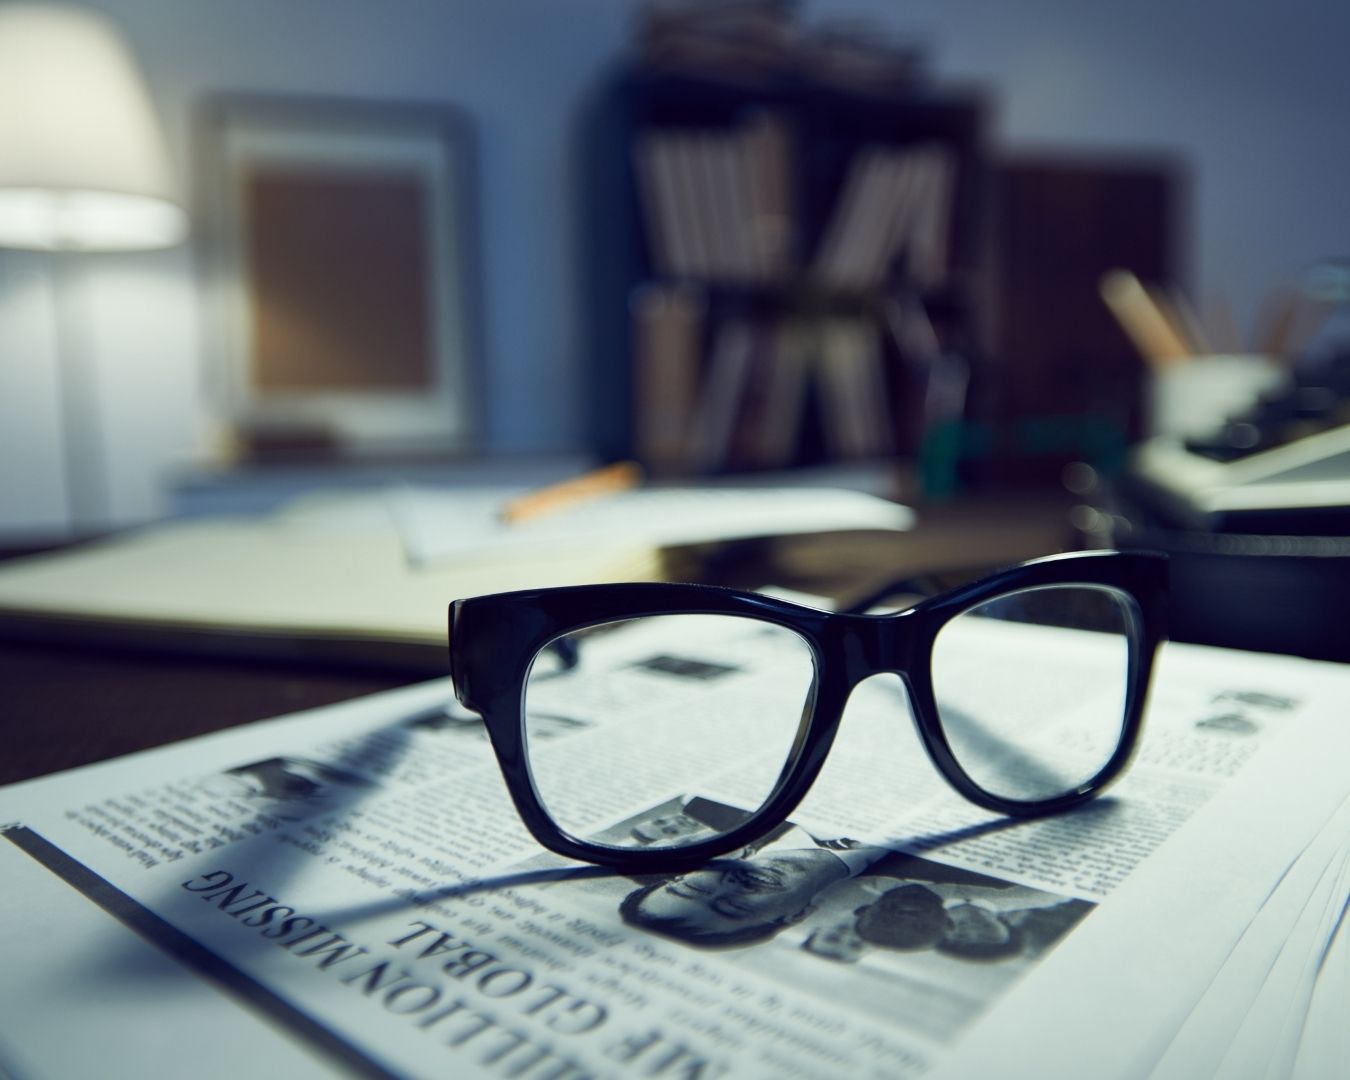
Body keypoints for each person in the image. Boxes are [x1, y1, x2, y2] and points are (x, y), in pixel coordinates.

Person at [619, 823, 885, 948]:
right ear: (797, 916)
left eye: (696, 888)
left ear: (682, 876)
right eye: (735, 907)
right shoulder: (917, 878)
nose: (731, 885)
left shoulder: (722, 812)